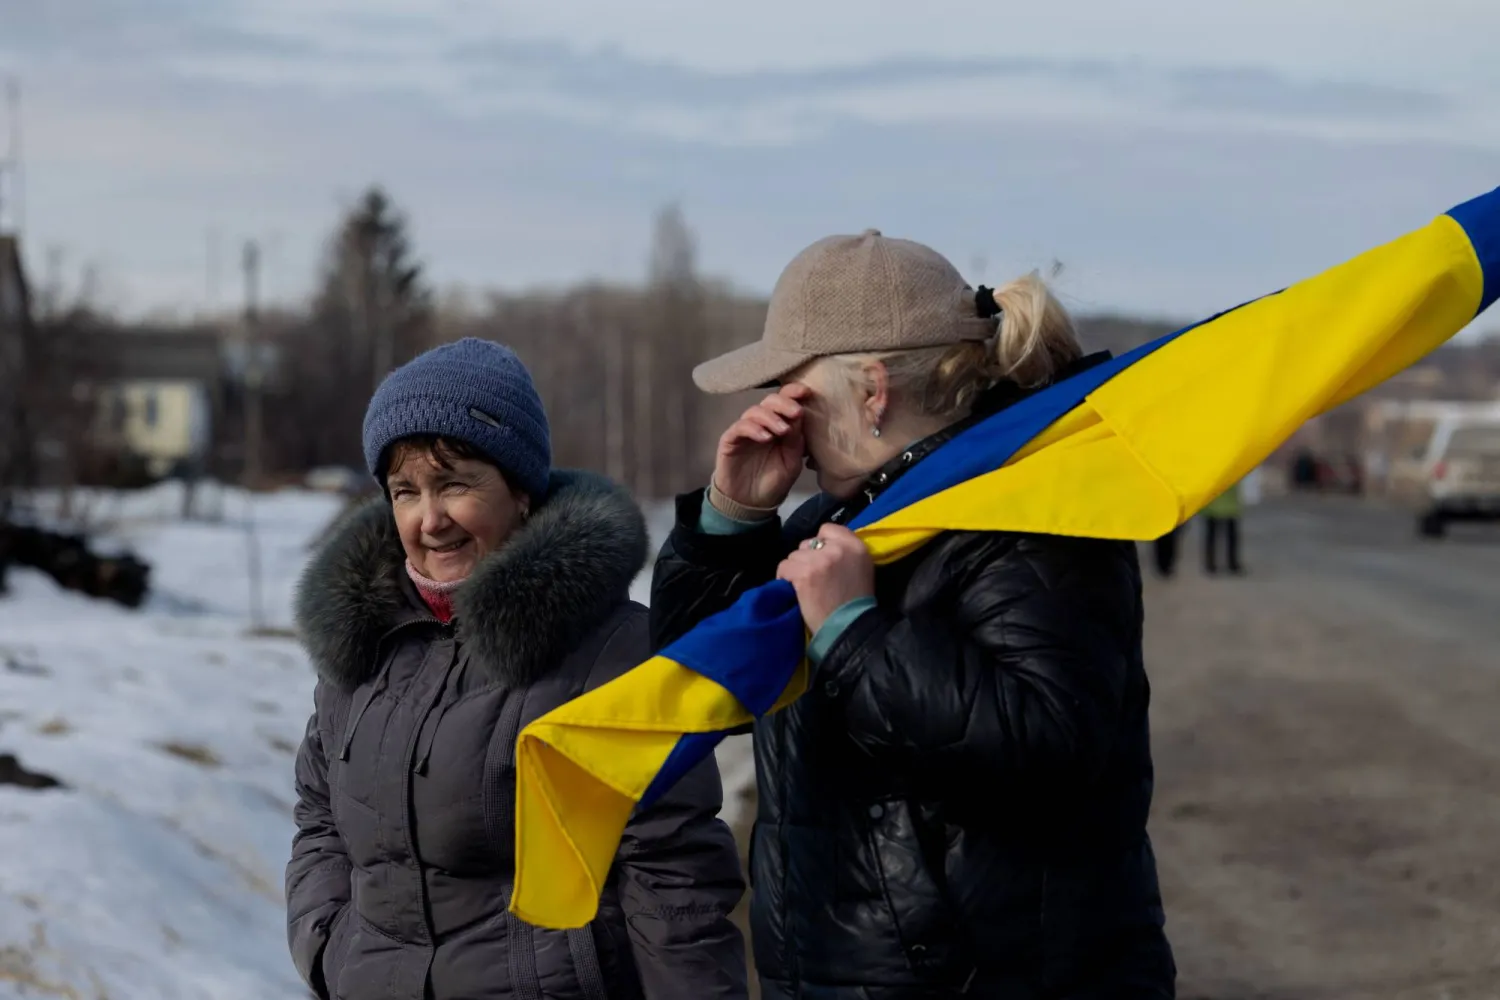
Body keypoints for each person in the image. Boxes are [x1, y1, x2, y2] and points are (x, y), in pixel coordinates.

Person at [651, 231, 1175, 999]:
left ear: (871, 390)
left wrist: (853, 635)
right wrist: (731, 519)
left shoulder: (1032, 518)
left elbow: (1050, 744)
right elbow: (700, 688)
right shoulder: (842, 526)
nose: (776, 412)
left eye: (795, 388)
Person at [286, 338, 748, 1000]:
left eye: (454, 483)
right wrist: (326, 945)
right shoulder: (363, 647)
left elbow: (676, 881)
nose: (429, 518)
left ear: (522, 491)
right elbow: (321, 816)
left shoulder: (617, 653)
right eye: (405, 491)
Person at [1202, 479, 1244, 575]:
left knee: (1212, 537)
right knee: (1230, 537)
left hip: (1215, 504)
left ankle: (1211, 564)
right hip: (1226, 504)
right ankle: (1231, 563)